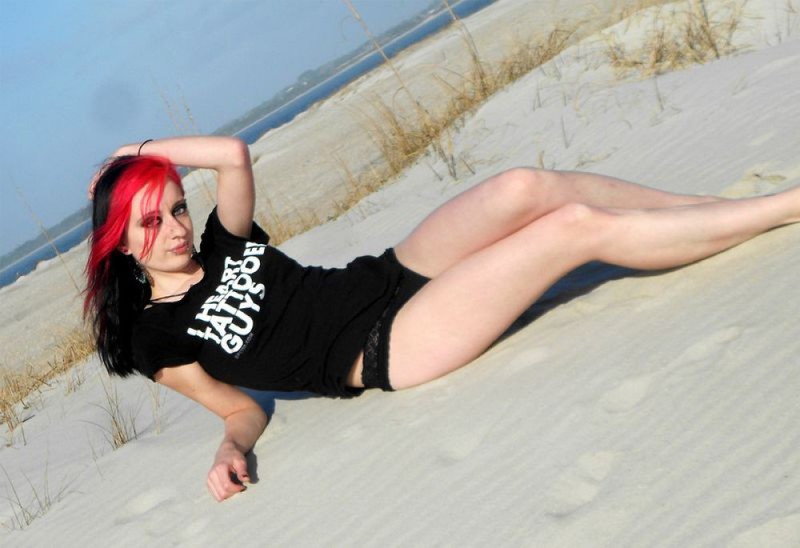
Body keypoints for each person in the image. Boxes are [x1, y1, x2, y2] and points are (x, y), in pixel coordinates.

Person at [85, 135, 799, 502]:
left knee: (525, 186)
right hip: (384, 346)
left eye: (177, 208)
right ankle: (782, 207)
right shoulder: (152, 337)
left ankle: (708, 212)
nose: (176, 229)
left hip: (388, 275)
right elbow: (239, 408)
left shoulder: (223, 241)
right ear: (118, 241)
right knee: (571, 229)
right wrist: (228, 450)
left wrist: (132, 155)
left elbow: (232, 156)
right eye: (151, 221)